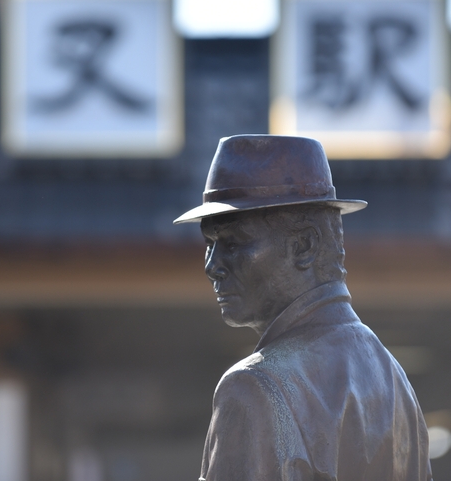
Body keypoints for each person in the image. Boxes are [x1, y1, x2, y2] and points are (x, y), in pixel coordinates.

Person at [175, 134, 432, 481]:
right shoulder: (392, 378)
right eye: (209, 244)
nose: (212, 265)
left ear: (304, 245)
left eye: (233, 243)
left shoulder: (253, 389)